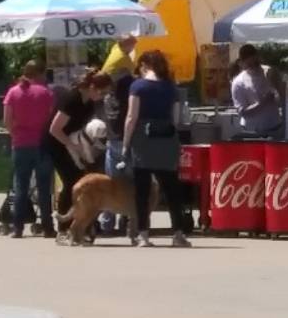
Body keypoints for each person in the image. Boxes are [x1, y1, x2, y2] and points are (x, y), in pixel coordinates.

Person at [122, 50, 192, 248]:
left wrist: (126, 144)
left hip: (143, 140)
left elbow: (131, 117)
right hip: (167, 140)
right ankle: (178, 234)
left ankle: (143, 235)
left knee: (142, 191)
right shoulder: (171, 88)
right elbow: (176, 119)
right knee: (172, 190)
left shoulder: (138, 86)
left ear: (144, 65)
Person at [46, 69, 113, 237]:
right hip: (57, 143)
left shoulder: (89, 102)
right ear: (92, 87)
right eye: (102, 92)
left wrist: (84, 147)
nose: (104, 96)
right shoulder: (71, 99)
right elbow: (54, 129)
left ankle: (80, 224)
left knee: (82, 180)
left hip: (73, 142)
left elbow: (81, 128)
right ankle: (63, 228)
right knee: (71, 182)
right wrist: (72, 146)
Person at [4, 60, 56, 239]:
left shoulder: (13, 92)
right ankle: (48, 227)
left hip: (20, 144)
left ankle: (17, 227)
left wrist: (15, 135)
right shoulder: (46, 93)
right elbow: (50, 117)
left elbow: (7, 121)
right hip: (41, 143)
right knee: (43, 187)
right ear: (40, 74)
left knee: (21, 186)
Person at [100, 36, 137, 233]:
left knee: (112, 181)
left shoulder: (108, 96)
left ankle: (108, 222)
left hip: (113, 138)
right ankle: (128, 220)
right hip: (127, 138)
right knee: (128, 182)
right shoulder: (130, 91)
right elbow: (131, 116)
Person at [231, 44, 283, 139]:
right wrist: (262, 102)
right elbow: (242, 111)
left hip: (274, 128)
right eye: (250, 65)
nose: (255, 67)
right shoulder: (239, 82)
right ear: (243, 63)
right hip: (251, 132)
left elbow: (282, 99)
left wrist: (277, 86)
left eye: (256, 63)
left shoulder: (270, 73)